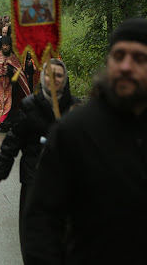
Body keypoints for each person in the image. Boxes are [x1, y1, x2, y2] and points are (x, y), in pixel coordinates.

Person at [24, 18, 147, 264]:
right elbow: (42, 218)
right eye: (118, 55)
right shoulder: (74, 130)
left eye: (139, 58)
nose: (125, 66)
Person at [0, 59, 80, 263]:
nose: (54, 79)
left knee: (63, 235)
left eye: (59, 75)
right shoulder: (31, 106)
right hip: (34, 179)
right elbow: (14, 140)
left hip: (64, 183)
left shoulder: (75, 108)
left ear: (64, 79)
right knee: (32, 235)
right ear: (43, 77)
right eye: (49, 74)